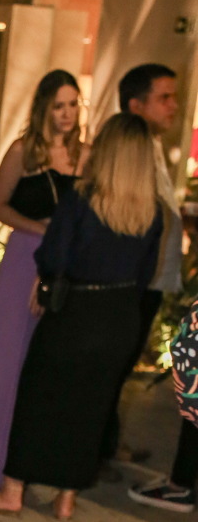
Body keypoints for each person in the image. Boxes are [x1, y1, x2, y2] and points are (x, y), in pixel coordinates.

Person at [0, 114, 163, 520]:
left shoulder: (81, 197)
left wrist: (46, 280)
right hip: (120, 315)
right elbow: (146, 272)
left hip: (76, 310)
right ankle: (66, 498)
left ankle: (12, 491)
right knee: (92, 406)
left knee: (38, 396)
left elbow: (55, 254)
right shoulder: (152, 212)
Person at [0, 70, 85, 492]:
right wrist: (41, 229)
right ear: (44, 107)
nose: (67, 113)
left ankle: (27, 468)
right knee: (3, 362)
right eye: (59, 105)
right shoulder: (23, 151)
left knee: (45, 368)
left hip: (65, 266)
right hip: (22, 260)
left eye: (73, 104)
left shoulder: (85, 157)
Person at [101, 63, 181, 474]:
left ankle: (106, 442)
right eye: (164, 98)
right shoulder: (127, 153)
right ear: (136, 105)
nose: (174, 106)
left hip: (151, 277)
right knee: (112, 363)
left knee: (123, 362)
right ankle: (95, 449)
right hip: (133, 277)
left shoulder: (153, 147)